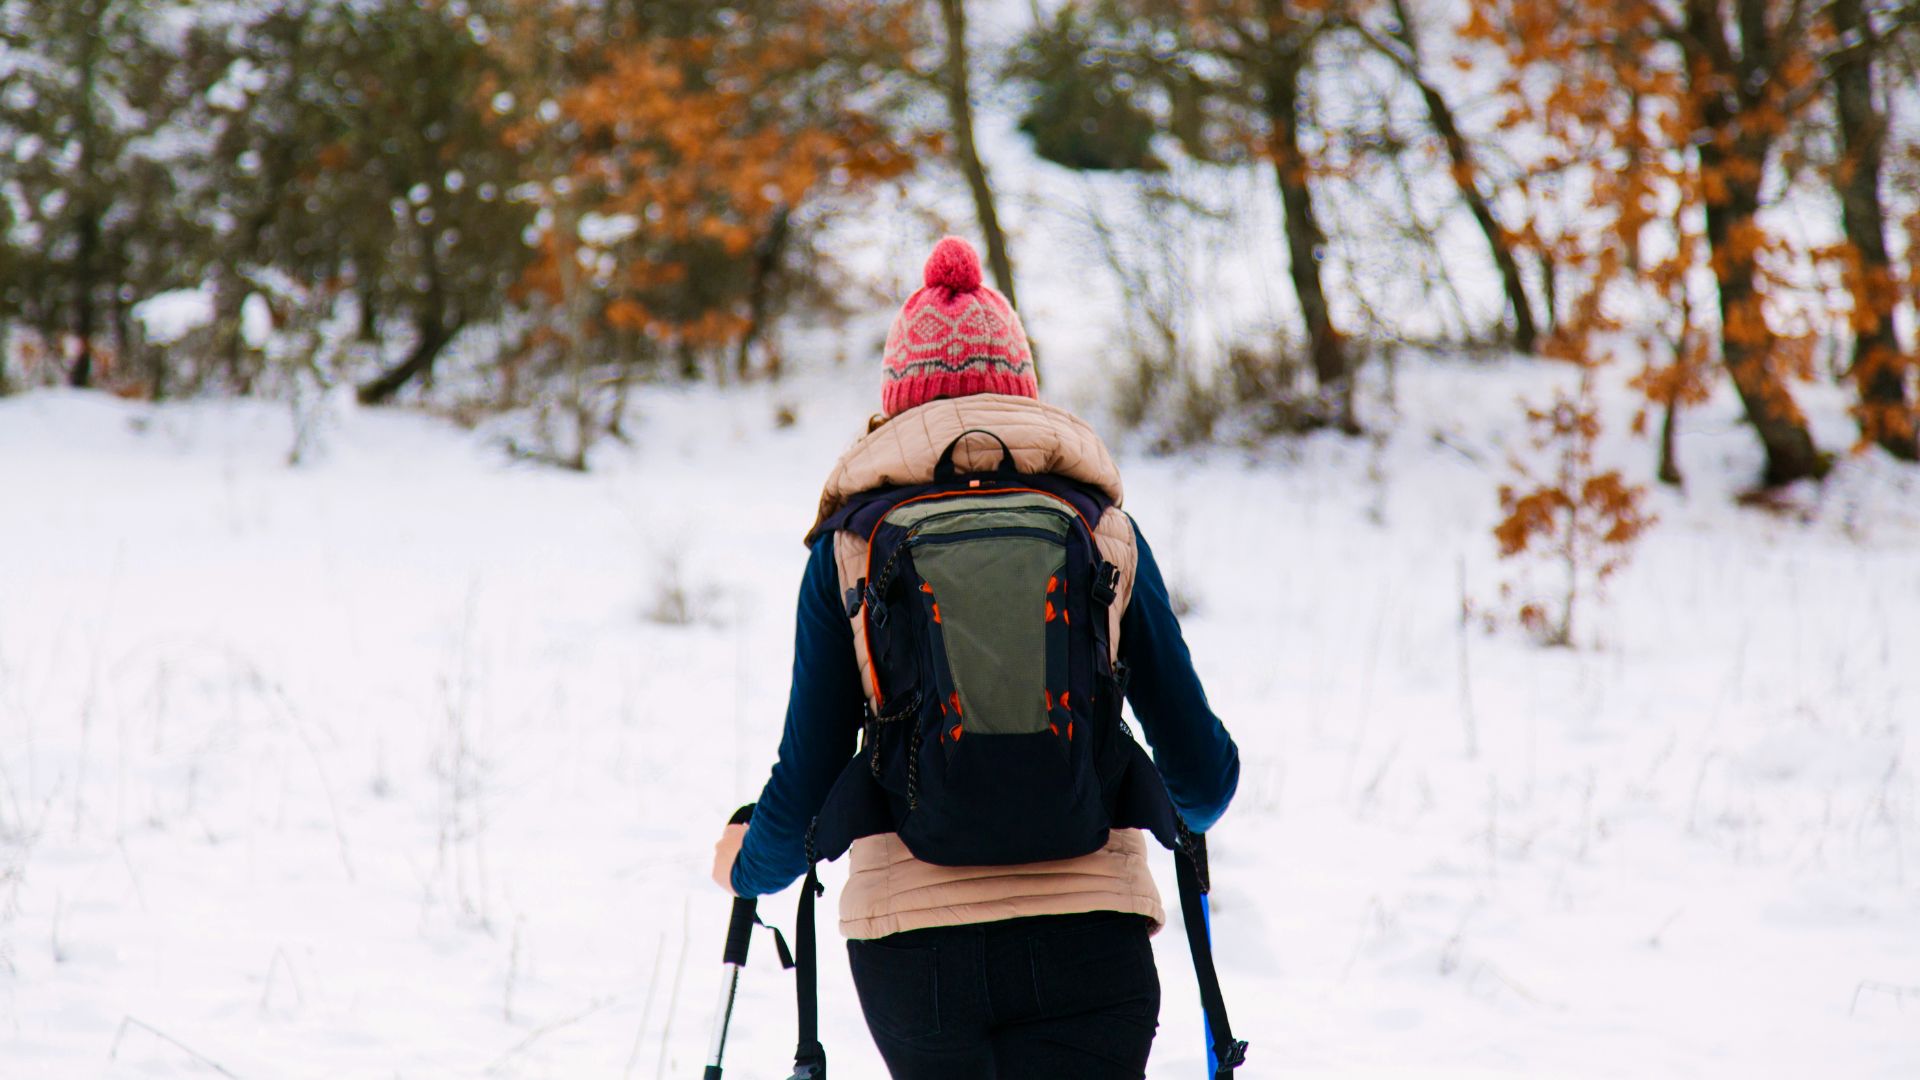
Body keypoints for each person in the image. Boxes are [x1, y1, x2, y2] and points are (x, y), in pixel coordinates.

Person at [710, 236, 1239, 1080]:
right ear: (1023, 389)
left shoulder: (848, 548)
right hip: (1093, 945)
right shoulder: (1105, 534)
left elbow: (806, 781)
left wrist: (750, 861)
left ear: (896, 404)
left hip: (917, 961)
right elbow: (1203, 785)